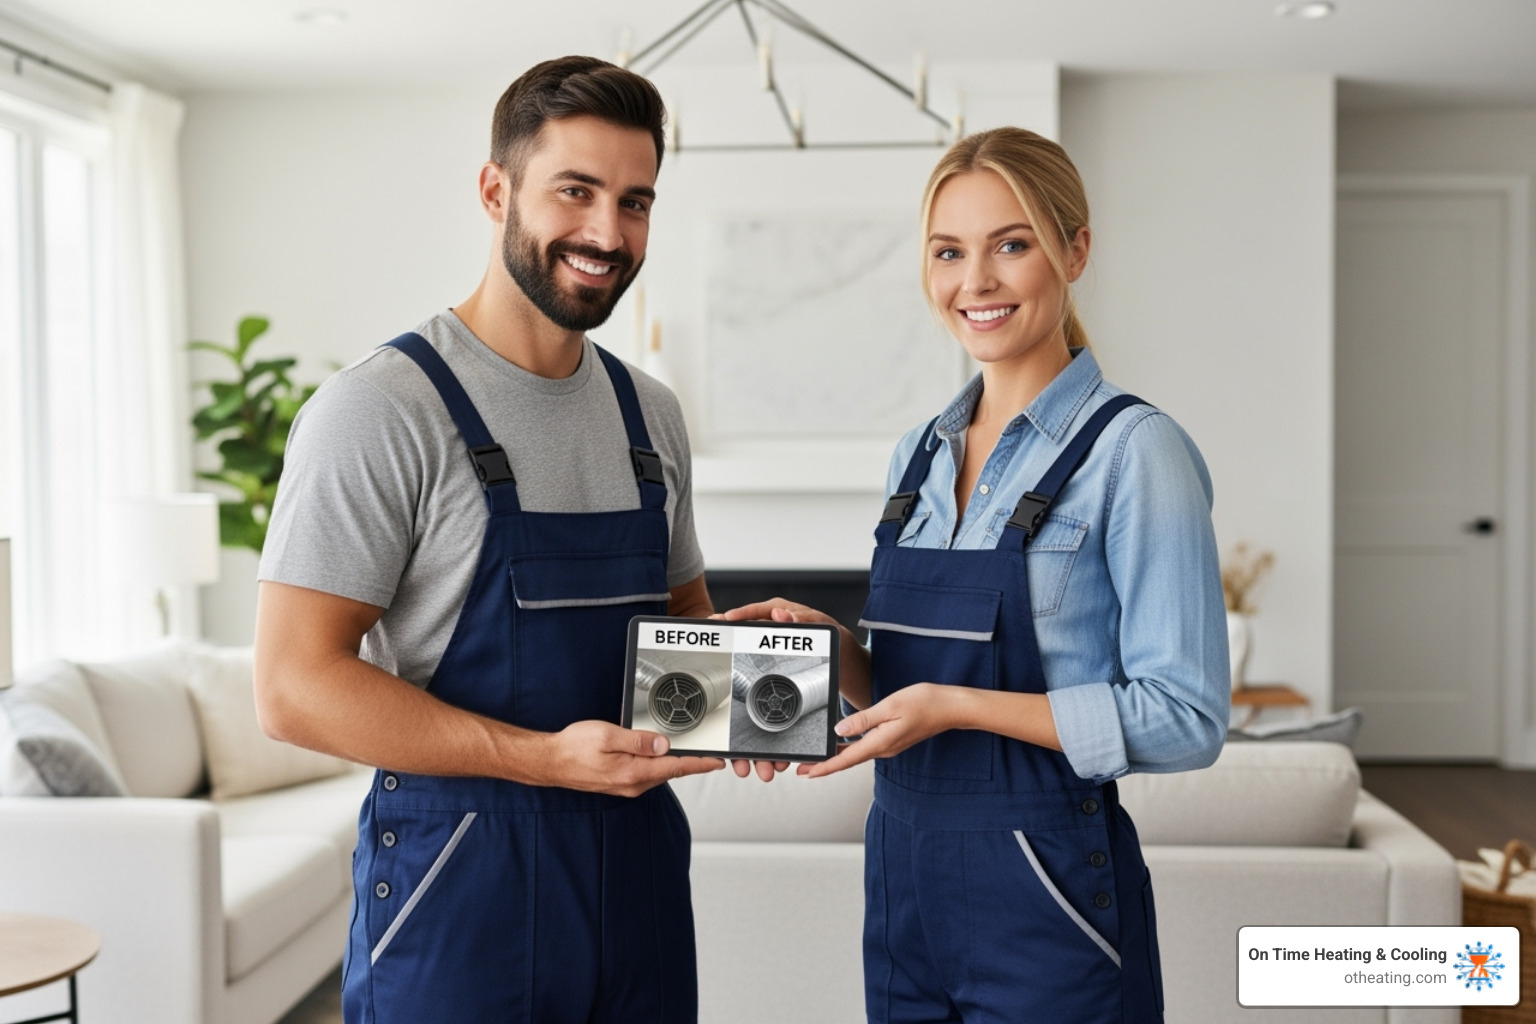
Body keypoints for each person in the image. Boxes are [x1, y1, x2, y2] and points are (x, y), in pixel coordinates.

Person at [252, 56, 724, 1024]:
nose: (607, 232)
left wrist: (746, 676)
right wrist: (545, 759)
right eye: (575, 191)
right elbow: (292, 688)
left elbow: (681, 623)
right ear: (495, 190)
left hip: (634, 882)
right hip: (459, 889)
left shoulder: (653, 415)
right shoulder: (381, 409)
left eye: (635, 202)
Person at [724, 127, 1230, 1023]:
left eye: (1012, 244)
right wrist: (832, 649)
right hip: (903, 889)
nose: (976, 282)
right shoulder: (916, 456)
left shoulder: (1135, 453)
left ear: (1074, 250)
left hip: (1049, 899)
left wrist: (957, 708)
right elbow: (906, 688)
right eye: (949, 252)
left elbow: (1186, 718)